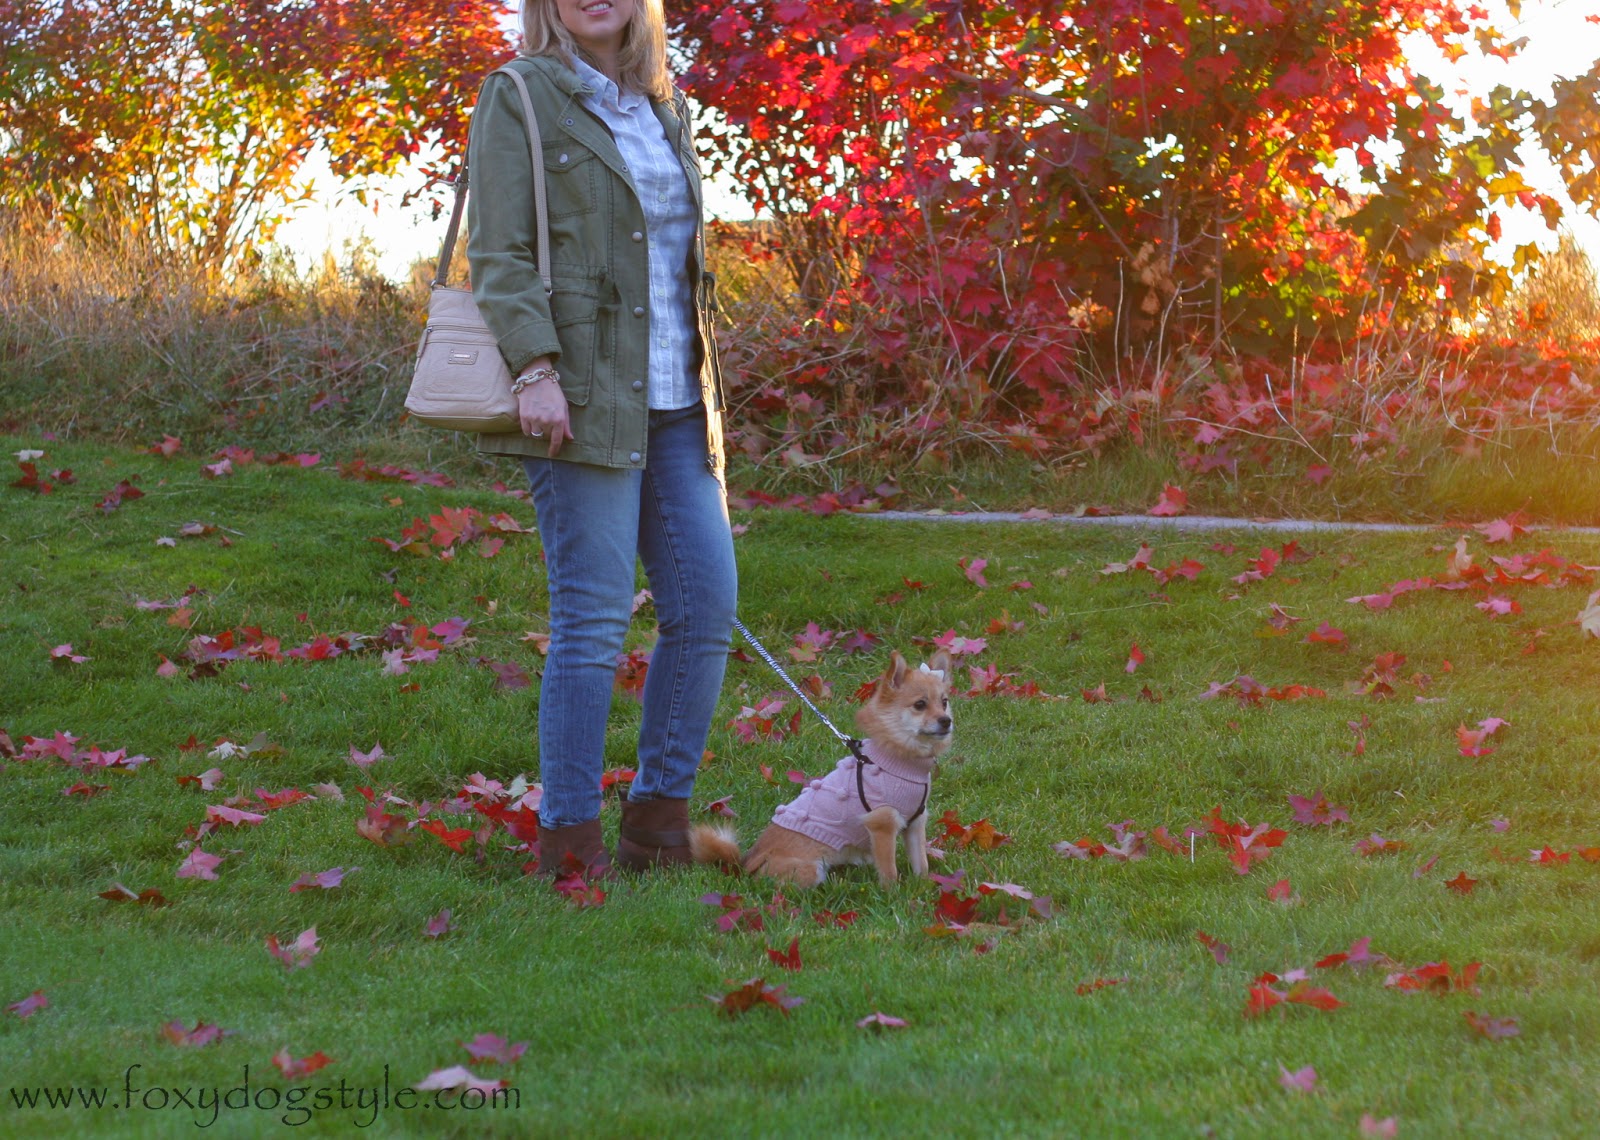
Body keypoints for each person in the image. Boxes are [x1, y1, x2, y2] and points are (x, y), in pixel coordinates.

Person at [465, 0, 736, 877]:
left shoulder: (665, 105)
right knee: (591, 621)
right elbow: (499, 251)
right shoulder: (519, 93)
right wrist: (535, 368)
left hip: (678, 397)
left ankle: (657, 826)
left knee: (706, 609)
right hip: (579, 396)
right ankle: (571, 842)